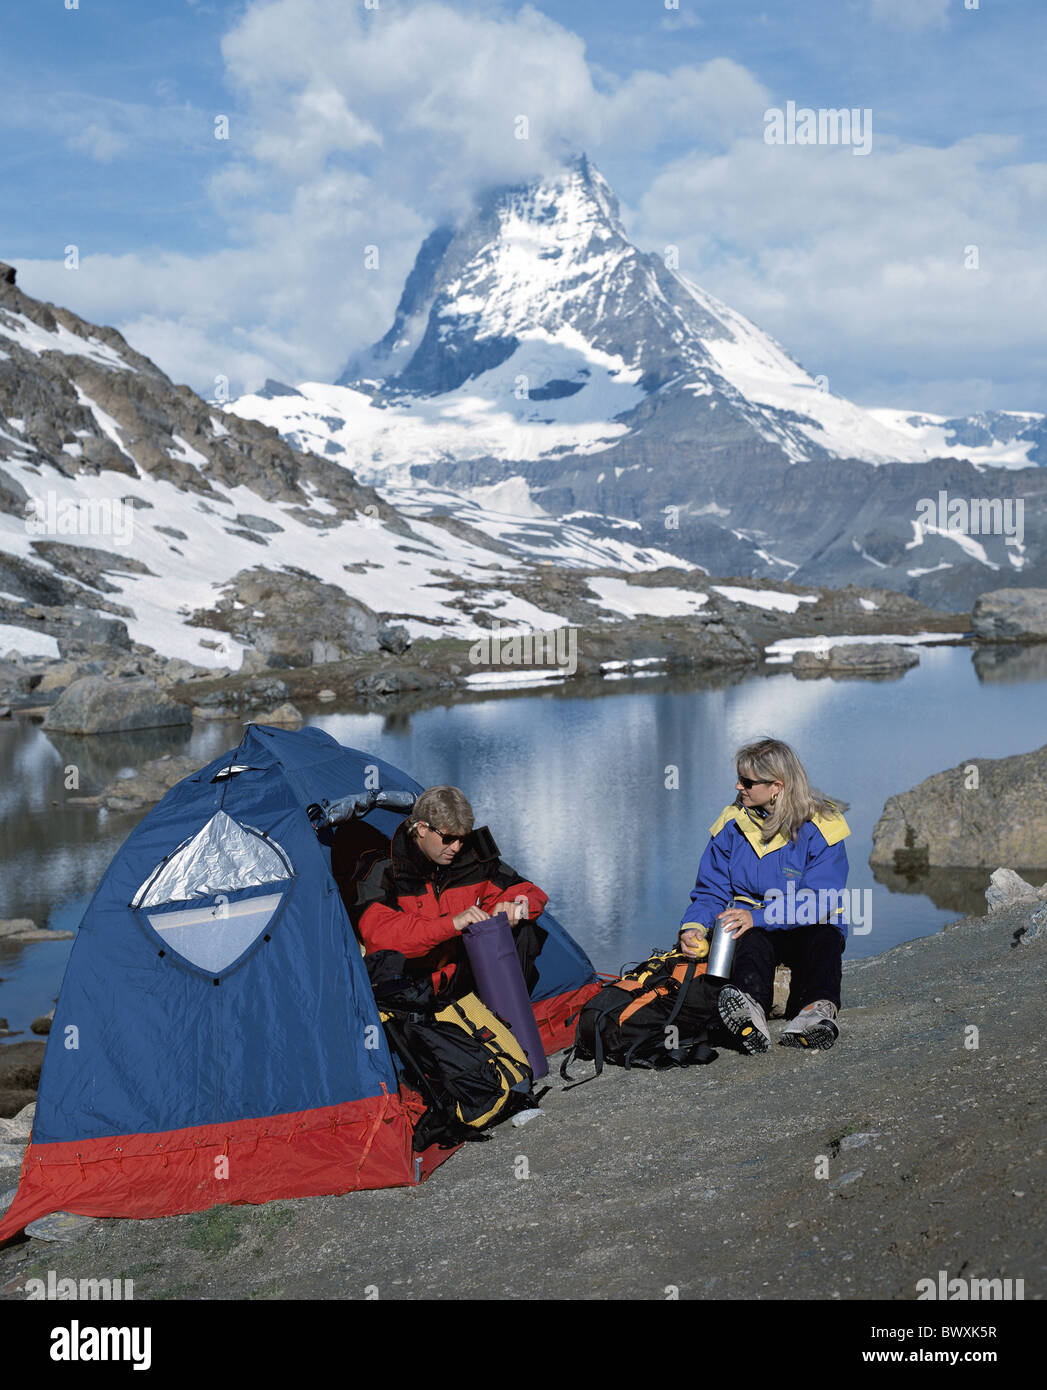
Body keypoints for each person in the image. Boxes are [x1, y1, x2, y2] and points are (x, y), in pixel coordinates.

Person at [678, 737, 850, 1052]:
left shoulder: (824, 825)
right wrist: (694, 926)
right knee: (750, 936)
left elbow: (821, 900)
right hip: (755, 929)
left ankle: (817, 1014)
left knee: (826, 936)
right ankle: (749, 1015)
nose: (738, 787)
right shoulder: (731, 824)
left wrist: (757, 916)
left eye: (746, 782)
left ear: (776, 786)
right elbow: (710, 890)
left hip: (808, 925)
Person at [350, 785, 548, 998]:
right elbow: (381, 939)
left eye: (461, 839)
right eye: (448, 838)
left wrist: (518, 906)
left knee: (526, 931)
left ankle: (510, 1019)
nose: (455, 847)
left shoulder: (475, 857)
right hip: (409, 986)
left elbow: (529, 891)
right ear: (422, 828)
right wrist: (453, 923)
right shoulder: (380, 870)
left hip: (462, 977)